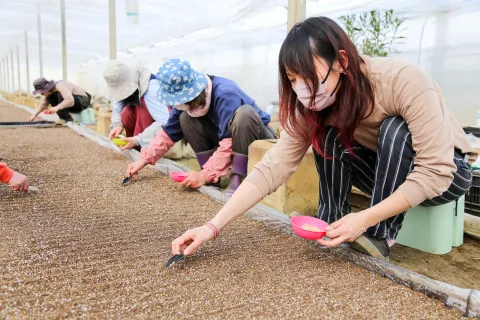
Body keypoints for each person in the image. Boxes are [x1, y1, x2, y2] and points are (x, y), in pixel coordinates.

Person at [171, 17, 476, 260]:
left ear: (342, 61)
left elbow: (436, 171)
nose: (301, 88)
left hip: (447, 177)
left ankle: (380, 235)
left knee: (394, 129)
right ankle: (331, 221)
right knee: (328, 135)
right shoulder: (312, 105)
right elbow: (271, 169)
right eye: (292, 79)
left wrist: (366, 218)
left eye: (307, 76)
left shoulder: (401, 81)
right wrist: (212, 227)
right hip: (387, 177)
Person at [127, 58, 276, 194]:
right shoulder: (187, 106)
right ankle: (213, 177)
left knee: (244, 114)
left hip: (257, 138)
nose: (177, 103)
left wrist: (204, 175)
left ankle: (238, 178)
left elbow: (228, 141)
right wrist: (144, 160)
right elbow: (167, 134)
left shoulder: (224, 93)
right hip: (228, 138)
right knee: (185, 118)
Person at [103, 61, 170, 150]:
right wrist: (117, 125)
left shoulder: (152, 88)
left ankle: (146, 148)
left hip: (157, 121)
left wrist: (138, 140)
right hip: (138, 125)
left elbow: (164, 122)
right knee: (126, 112)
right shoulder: (119, 81)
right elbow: (117, 109)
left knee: (142, 111)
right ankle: (133, 145)